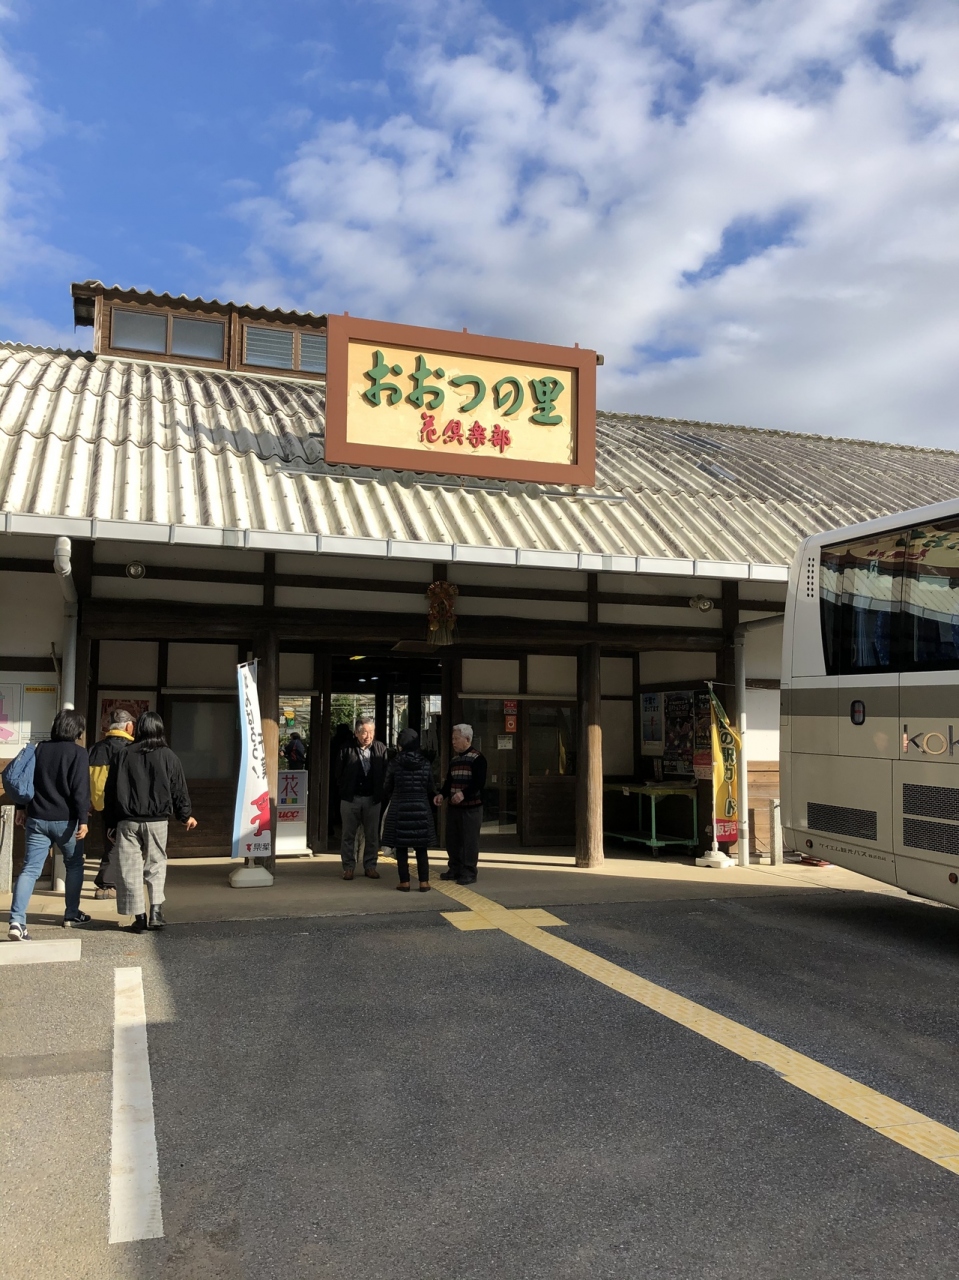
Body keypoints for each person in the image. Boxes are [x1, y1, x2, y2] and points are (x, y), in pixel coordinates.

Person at [105, 710, 197, 933]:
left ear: (138, 729)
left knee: (130, 868)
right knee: (156, 864)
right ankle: (156, 911)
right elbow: (178, 789)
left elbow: (111, 791)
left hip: (127, 820)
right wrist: (185, 815)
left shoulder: (123, 754)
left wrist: (110, 822)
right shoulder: (168, 756)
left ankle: (139, 917)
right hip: (157, 820)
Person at [8, 709, 91, 940]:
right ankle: (71, 914)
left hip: (37, 819)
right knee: (74, 865)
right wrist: (84, 820)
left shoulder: (39, 749)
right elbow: (80, 790)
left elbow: (23, 779)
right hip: (67, 822)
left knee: (30, 869)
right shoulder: (78, 753)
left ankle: (16, 921)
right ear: (77, 730)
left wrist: (21, 808)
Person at [87, 708, 135, 899]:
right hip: (124, 805)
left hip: (99, 805)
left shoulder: (95, 748)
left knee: (111, 843)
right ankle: (106, 885)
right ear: (128, 727)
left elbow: (87, 778)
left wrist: (89, 801)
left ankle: (111, 882)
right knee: (118, 846)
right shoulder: (130, 749)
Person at [381, 728, 436, 893]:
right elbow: (430, 787)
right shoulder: (425, 763)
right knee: (421, 848)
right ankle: (424, 882)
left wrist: (394, 795)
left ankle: (404, 882)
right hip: (421, 807)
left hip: (400, 807)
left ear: (401, 744)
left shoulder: (395, 763)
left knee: (401, 847)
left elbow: (387, 786)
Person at [336, 715, 388, 881]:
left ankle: (370, 866)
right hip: (350, 798)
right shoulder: (346, 748)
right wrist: (344, 789)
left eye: (371, 732)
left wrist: (381, 792)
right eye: (364, 732)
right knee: (348, 835)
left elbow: (386, 772)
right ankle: (348, 867)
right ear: (356, 733)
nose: (368, 736)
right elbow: (338, 773)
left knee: (372, 835)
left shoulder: (380, 748)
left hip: (372, 798)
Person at [434, 723, 487, 886]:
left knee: (469, 841)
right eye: (452, 739)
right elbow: (449, 782)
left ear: (467, 739)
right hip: (454, 807)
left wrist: (463, 794)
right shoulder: (454, 760)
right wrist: (442, 794)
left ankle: (469, 872)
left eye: (456, 739)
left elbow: (479, 783)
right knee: (453, 840)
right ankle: (454, 868)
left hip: (471, 808)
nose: (453, 742)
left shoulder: (478, 758)